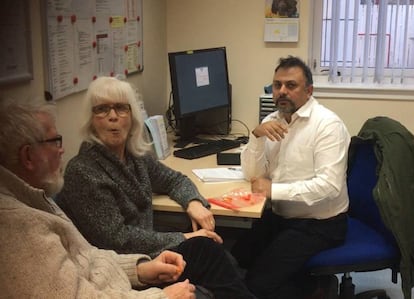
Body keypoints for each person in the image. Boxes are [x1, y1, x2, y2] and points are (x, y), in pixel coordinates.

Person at [55, 76, 257, 299]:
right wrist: (183, 238)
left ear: (132, 116)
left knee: (220, 257)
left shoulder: (135, 156)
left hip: (151, 253)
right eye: (102, 110)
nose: (113, 116)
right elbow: (117, 239)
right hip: (124, 269)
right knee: (207, 251)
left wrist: (193, 202)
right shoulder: (83, 171)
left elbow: (173, 179)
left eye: (121, 108)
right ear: (91, 121)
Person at [0, 100, 197, 298]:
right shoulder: (20, 226)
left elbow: (88, 256)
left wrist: (140, 269)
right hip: (125, 291)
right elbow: (116, 243)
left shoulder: (37, 196)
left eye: (121, 108)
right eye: (54, 141)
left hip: (123, 280)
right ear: (28, 157)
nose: (62, 150)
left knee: (206, 253)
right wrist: (162, 297)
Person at [230, 56, 351, 299]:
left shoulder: (327, 125)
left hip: (320, 223)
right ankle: (301, 279)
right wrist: (256, 136)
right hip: (280, 216)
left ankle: (318, 290)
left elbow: (329, 187)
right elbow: (252, 175)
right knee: (235, 258)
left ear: (309, 91)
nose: (282, 91)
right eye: (277, 85)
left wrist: (273, 190)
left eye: (291, 85)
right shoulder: (271, 121)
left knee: (257, 285)